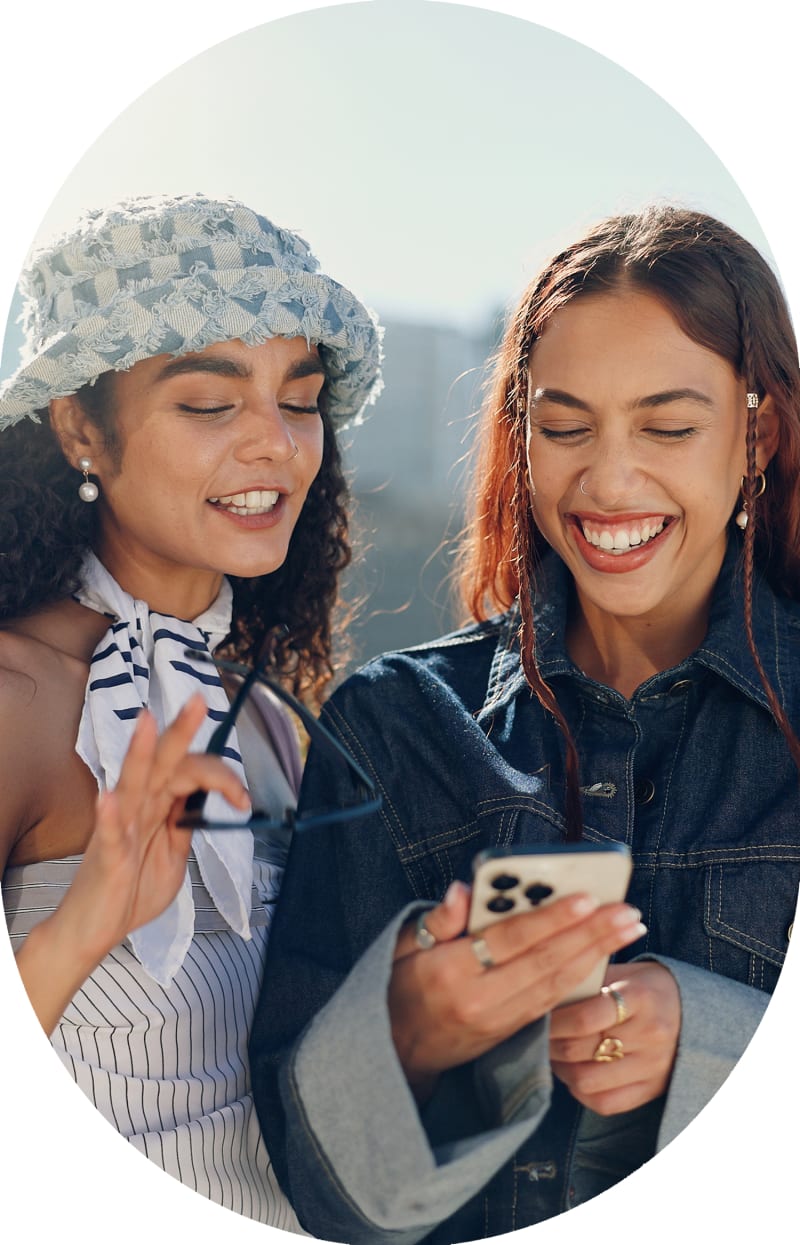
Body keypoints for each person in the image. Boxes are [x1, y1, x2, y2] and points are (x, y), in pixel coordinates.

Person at [249, 205, 800, 1243]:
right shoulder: (392, 728)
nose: (606, 480)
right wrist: (413, 1032)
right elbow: (318, 1199)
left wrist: (714, 1044)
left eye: (668, 426)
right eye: (562, 426)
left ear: (756, 431)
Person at [0, 192, 381, 1229]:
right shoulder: (16, 701)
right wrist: (87, 921)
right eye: (211, 404)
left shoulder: (271, 721)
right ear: (80, 426)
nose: (274, 445)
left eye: (298, 399)